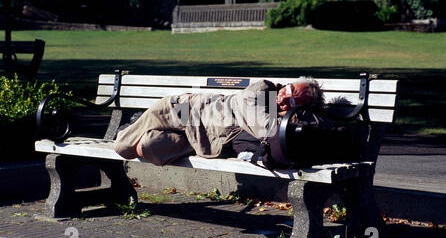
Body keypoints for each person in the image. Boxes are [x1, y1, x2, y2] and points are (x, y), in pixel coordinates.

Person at [113, 77, 324, 166]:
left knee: (149, 147)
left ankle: (136, 123)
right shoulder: (262, 91)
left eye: (293, 100)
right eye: (290, 89)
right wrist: (287, 116)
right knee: (122, 147)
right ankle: (136, 121)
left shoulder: (277, 111)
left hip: (199, 140)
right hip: (186, 110)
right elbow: (268, 129)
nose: (285, 97)